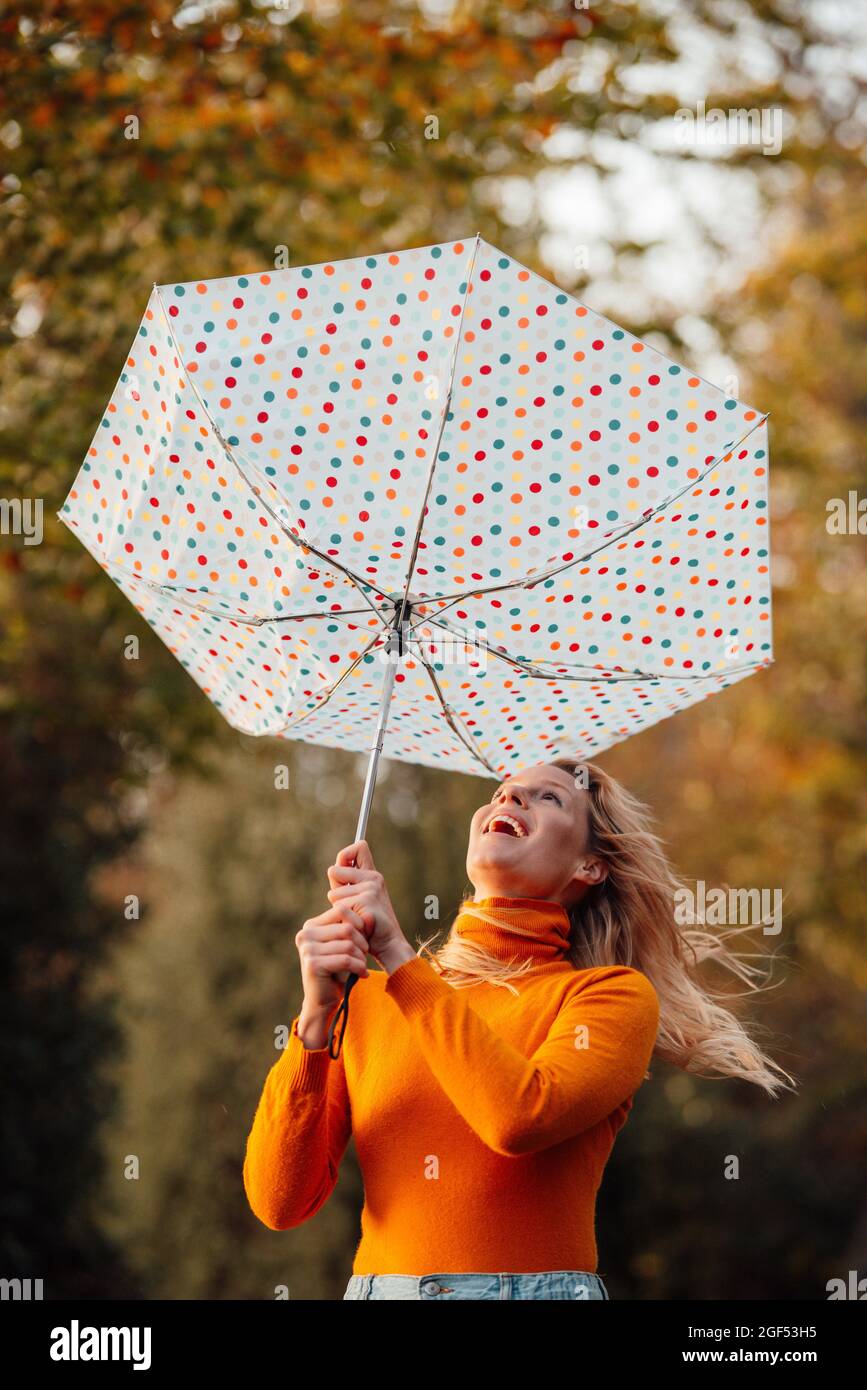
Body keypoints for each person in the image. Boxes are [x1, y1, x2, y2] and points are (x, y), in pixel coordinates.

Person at [242, 757, 796, 1301]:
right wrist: (314, 1021)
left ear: (590, 866)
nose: (508, 797)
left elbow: (517, 1117)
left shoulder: (609, 998)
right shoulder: (366, 1003)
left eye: (549, 797)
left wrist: (396, 954)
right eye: (503, 789)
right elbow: (278, 1202)